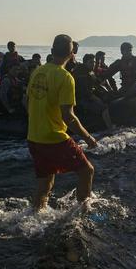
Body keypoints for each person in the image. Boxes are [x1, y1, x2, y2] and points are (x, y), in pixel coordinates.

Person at [26, 34, 98, 212]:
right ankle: (82, 215)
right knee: (87, 171)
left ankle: (31, 218)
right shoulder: (65, 77)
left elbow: (26, 102)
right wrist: (89, 138)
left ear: (51, 51)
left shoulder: (37, 72)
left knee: (45, 185)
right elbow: (69, 116)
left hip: (34, 137)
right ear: (72, 54)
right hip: (54, 138)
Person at [73, 54, 112, 128]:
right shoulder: (81, 73)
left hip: (88, 96)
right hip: (81, 99)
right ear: (85, 63)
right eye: (91, 62)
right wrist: (97, 99)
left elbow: (97, 82)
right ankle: (110, 129)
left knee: (106, 99)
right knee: (104, 108)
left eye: (94, 62)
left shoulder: (90, 72)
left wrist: (108, 90)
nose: (93, 64)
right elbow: (85, 91)